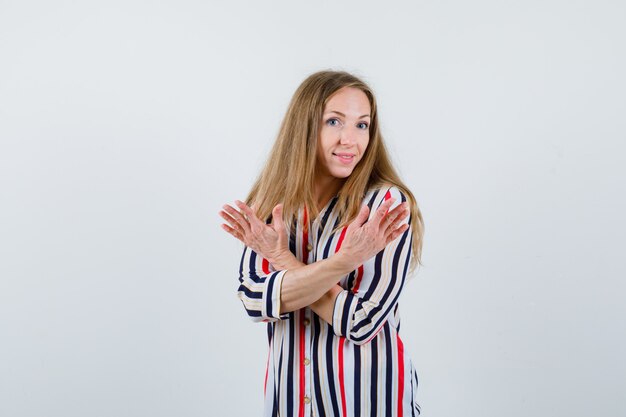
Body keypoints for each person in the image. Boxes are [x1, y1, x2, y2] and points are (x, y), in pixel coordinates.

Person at [219, 70, 424, 417]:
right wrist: (345, 262)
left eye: (362, 125)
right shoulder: (270, 202)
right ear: (304, 128)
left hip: (369, 403)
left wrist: (281, 259)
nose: (351, 139)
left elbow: (361, 321)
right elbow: (256, 301)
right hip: (290, 402)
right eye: (334, 121)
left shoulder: (385, 205)